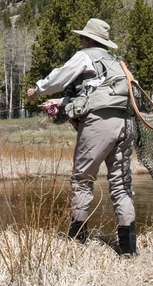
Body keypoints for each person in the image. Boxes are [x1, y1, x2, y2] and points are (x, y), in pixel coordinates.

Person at [26, 18, 137, 255]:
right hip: (126, 124)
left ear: (88, 39)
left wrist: (38, 90)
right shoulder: (116, 62)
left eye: (82, 37)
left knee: (82, 180)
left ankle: (77, 240)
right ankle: (129, 249)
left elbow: (59, 77)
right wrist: (60, 102)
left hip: (99, 125)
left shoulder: (86, 55)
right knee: (120, 185)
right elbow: (95, 93)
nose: (80, 40)